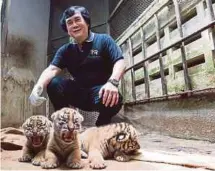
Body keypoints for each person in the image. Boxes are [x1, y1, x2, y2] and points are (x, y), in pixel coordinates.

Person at [29, 6, 125, 126]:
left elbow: (120, 62)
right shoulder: (66, 50)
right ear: (67, 29)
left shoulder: (104, 40)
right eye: (69, 22)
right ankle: (65, 122)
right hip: (78, 93)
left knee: (116, 98)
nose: (74, 25)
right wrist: (38, 86)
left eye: (77, 19)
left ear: (87, 22)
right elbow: (51, 69)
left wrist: (113, 83)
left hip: (101, 94)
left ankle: (102, 123)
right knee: (54, 83)